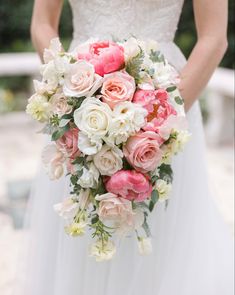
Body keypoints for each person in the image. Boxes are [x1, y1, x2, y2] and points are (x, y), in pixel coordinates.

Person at [17, 0, 233, 294]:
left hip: (168, 96)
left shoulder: (166, 110)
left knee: (160, 228)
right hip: (81, 97)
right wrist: (68, 88)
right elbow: (42, 23)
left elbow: (213, 38)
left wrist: (161, 118)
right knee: (81, 228)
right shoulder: (77, 95)